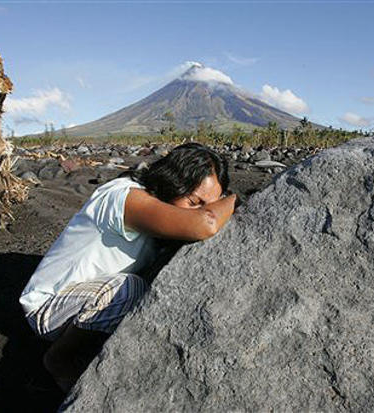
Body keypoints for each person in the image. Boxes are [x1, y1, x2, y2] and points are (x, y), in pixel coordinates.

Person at [19, 143, 237, 391]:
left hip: (85, 303)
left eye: (207, 204)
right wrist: (232, 199)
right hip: (48, 308)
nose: (199, 210)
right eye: (194, 201)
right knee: (127, 289)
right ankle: (60, 359)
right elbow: (205, 224)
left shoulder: (159, 212)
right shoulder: (124, 196)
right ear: (174, 182)